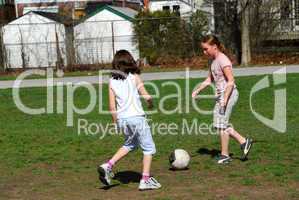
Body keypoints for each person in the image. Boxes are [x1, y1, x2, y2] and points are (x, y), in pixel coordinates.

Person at [98, 50, 161, 190]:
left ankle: (107, 165)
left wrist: (116, 122)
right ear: (130, 61)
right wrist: (150, 102)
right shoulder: (135, 76)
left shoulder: (112, 81)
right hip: (137, 118)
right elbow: (145, 94)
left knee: (130, 144)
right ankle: (145, 180)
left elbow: (111, 105)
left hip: (122, 119)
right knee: (149, 148)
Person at [192, 35, 253, 164]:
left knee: (220, 124)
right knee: (219, 124)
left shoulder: (223, 60)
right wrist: (198, 90)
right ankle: (243, 142)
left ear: (214, 47)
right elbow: (209, 79)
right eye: (203, 49)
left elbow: (231, 81)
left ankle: (225, 155)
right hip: (221, 97)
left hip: (228, 95)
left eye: (205, 49)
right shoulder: (213, 61)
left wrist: (225, 99)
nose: (204, 52)